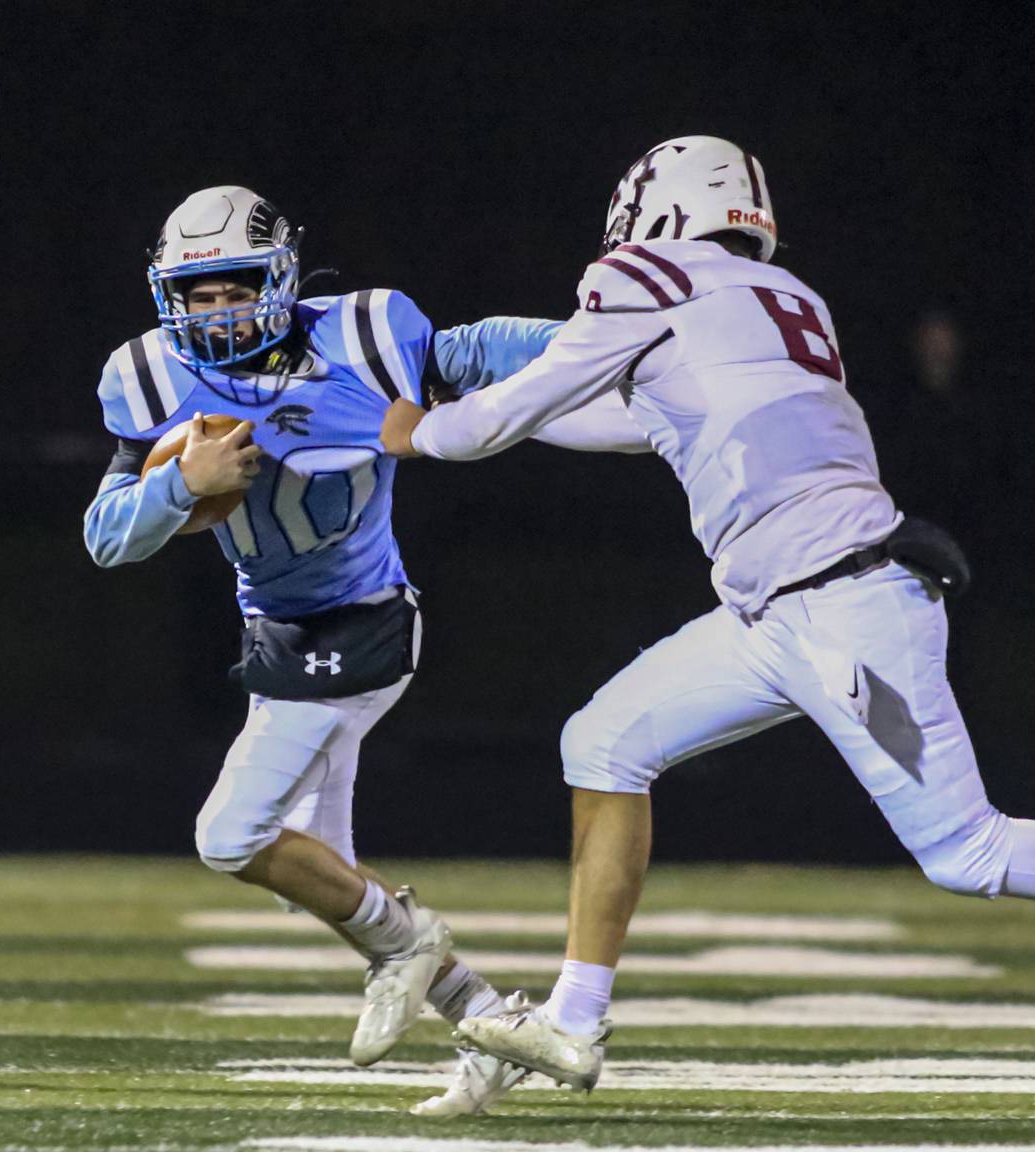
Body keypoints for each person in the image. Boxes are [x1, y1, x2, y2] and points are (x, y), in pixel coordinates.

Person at [381, 136, 1035, 1093]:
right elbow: (637, 421)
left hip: (845, 610)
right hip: (777, 611)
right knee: (603, 741)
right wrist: (500, 397)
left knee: (966, 850)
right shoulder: (789, 300)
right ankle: (572, 1022)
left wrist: (426, 432)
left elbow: (499, 420)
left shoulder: (641, 274)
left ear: (651, 209)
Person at [84, 185, 635, 1115]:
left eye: (234, 288)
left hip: (365, 626)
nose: (216, 314)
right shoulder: (151, 378)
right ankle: (492, 1020)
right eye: (197, 294)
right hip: (276, 636)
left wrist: (619, 338)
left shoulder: (363, 336)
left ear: (281, 276)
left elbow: (476, 350)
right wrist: (182, 484)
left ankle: (410, 945)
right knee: (324, 876)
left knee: (231, 838)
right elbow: (106, 537)